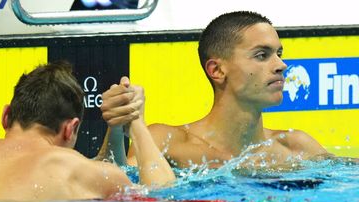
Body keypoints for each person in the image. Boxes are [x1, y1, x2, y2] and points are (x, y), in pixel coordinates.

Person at [102, 11, 340, 172]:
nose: (280, 65)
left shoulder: (295, 147)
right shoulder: (168, 142)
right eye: (262, 55)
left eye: (279, 54)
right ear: (216, 70)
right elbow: (115, 182)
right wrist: (114, 130)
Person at [0, 61, 175, 202]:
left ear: (5, 116)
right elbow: (162, 198)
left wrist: (114, 126)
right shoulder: (70, 167)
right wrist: (135, 121)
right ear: (70, 129)